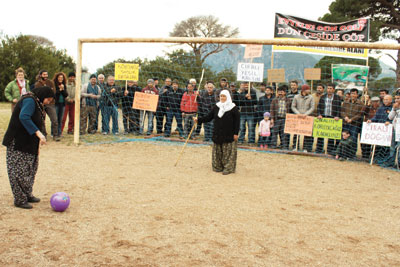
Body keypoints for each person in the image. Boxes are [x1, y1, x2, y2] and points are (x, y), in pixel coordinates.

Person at [2, 86, 54, 209]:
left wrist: (39, 140)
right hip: (18, 141)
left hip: (29, 141)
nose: (49, 102)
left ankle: (27, 194)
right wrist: (38, 133)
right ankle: (19, 199)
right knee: (19, 170)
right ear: (43, 95)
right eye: (48, 99)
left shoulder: (37, 102)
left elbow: (38, 121)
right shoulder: (29, 100)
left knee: (31, 167)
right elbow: (24, 116)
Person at [195, 90, 240, 175]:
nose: (222, 98)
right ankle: (218, 167)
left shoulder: (233, 108)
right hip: (218, 133)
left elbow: (237, 122)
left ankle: (228, 168)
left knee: (228, 152)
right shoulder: (216, 106)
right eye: (221, 96)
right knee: (218, 151)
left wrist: (236, 133)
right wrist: (198, 120)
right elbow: (208, 117)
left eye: (224, 96)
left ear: (228, 97)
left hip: (229, 134)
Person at [316, 83, 342, 154]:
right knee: (321, 134)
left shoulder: (337, 98)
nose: (329, 90)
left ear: (334, 90)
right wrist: (319, 114)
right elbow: (319, 107)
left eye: (331, 89)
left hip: (333, 118)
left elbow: (339, 108)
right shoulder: (323, 97)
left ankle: (330, 150)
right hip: (323, 117)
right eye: (328, 88)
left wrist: (337, 116)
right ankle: (319, 149)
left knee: (331, 135)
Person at [35, 70, 58, 140]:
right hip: (41, 104)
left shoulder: (50, 82)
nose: (45, 76)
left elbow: (53, 91)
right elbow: (38, 93)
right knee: (42, 120)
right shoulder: (37, 84)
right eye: (44, 74)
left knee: (54, 119)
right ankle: (44, 134)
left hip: (50, 103)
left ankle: (55, 135)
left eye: (46, 74)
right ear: (41, 75)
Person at [291, 84, 315, 152]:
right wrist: (298, 113)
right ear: (304, 90)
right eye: (308, 89)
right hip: (298, 117)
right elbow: (293, 106)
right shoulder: (296, 97)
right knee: (296, 132)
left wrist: (306, 114)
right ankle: (295, 146)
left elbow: (312, 107)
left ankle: (306, 148)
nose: (309, 90)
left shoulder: (311, 97)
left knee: (307, 133)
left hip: (307, 117)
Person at [341, 88, 364, 153]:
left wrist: (352, 119)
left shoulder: (360, 103)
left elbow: (360, 114)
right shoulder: (345, 102)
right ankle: (344, 153)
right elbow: (342, 111)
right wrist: (345, 117)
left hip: (355, 124)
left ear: (357, 95)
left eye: (354, 94)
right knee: (345, 138)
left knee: (353, 139)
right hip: (345, 123)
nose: (353, 95)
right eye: (351, 93)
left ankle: (352, 154)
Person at [270, 85, 292, 149]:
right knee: (274, 133)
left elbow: (290, 109)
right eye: (279, 92)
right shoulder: (274, 100)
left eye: (281, 92)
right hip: (276, 119)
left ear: (285, 92)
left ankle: (284, 145)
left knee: (284, 134)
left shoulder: (289, 100)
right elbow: (272, 110)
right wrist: (272, 118)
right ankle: (273, 145)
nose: (280, 93)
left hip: (285, 119)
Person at [53, 72, 69, 137]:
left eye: (62, 78)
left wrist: (62, 90)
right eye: (59, 77)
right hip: (56, 104)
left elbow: (66, 95)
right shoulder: (54, 85)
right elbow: (55, 94)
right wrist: (60, 89)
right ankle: (54, 132)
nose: (60, 79)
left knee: (60, 119)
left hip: (62, 104)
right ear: (57, 78)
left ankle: (59, 132)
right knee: (55, 119)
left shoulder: (64, 85)